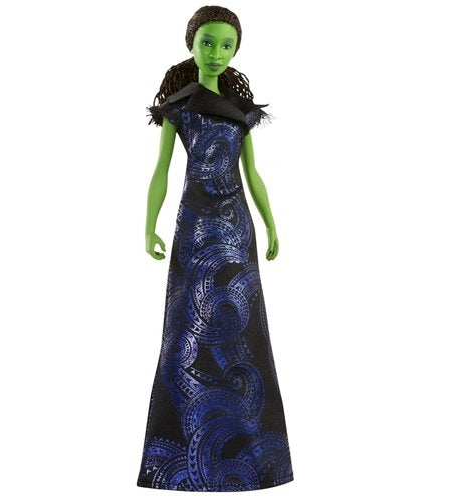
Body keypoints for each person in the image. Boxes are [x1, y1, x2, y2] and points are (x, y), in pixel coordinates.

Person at [137, 5, 294, 492]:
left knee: (246, 332)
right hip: (194, 228)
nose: (216, 53)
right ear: (191, 43)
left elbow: (254, 174)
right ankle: (178, 460)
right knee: (185, 331)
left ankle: (255, 460)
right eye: (207, 42)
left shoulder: (242, 113)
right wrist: (149, 226)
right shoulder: (179, 107)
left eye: (226, 45)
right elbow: (161, 170)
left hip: (236, 230)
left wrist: (270, 224)